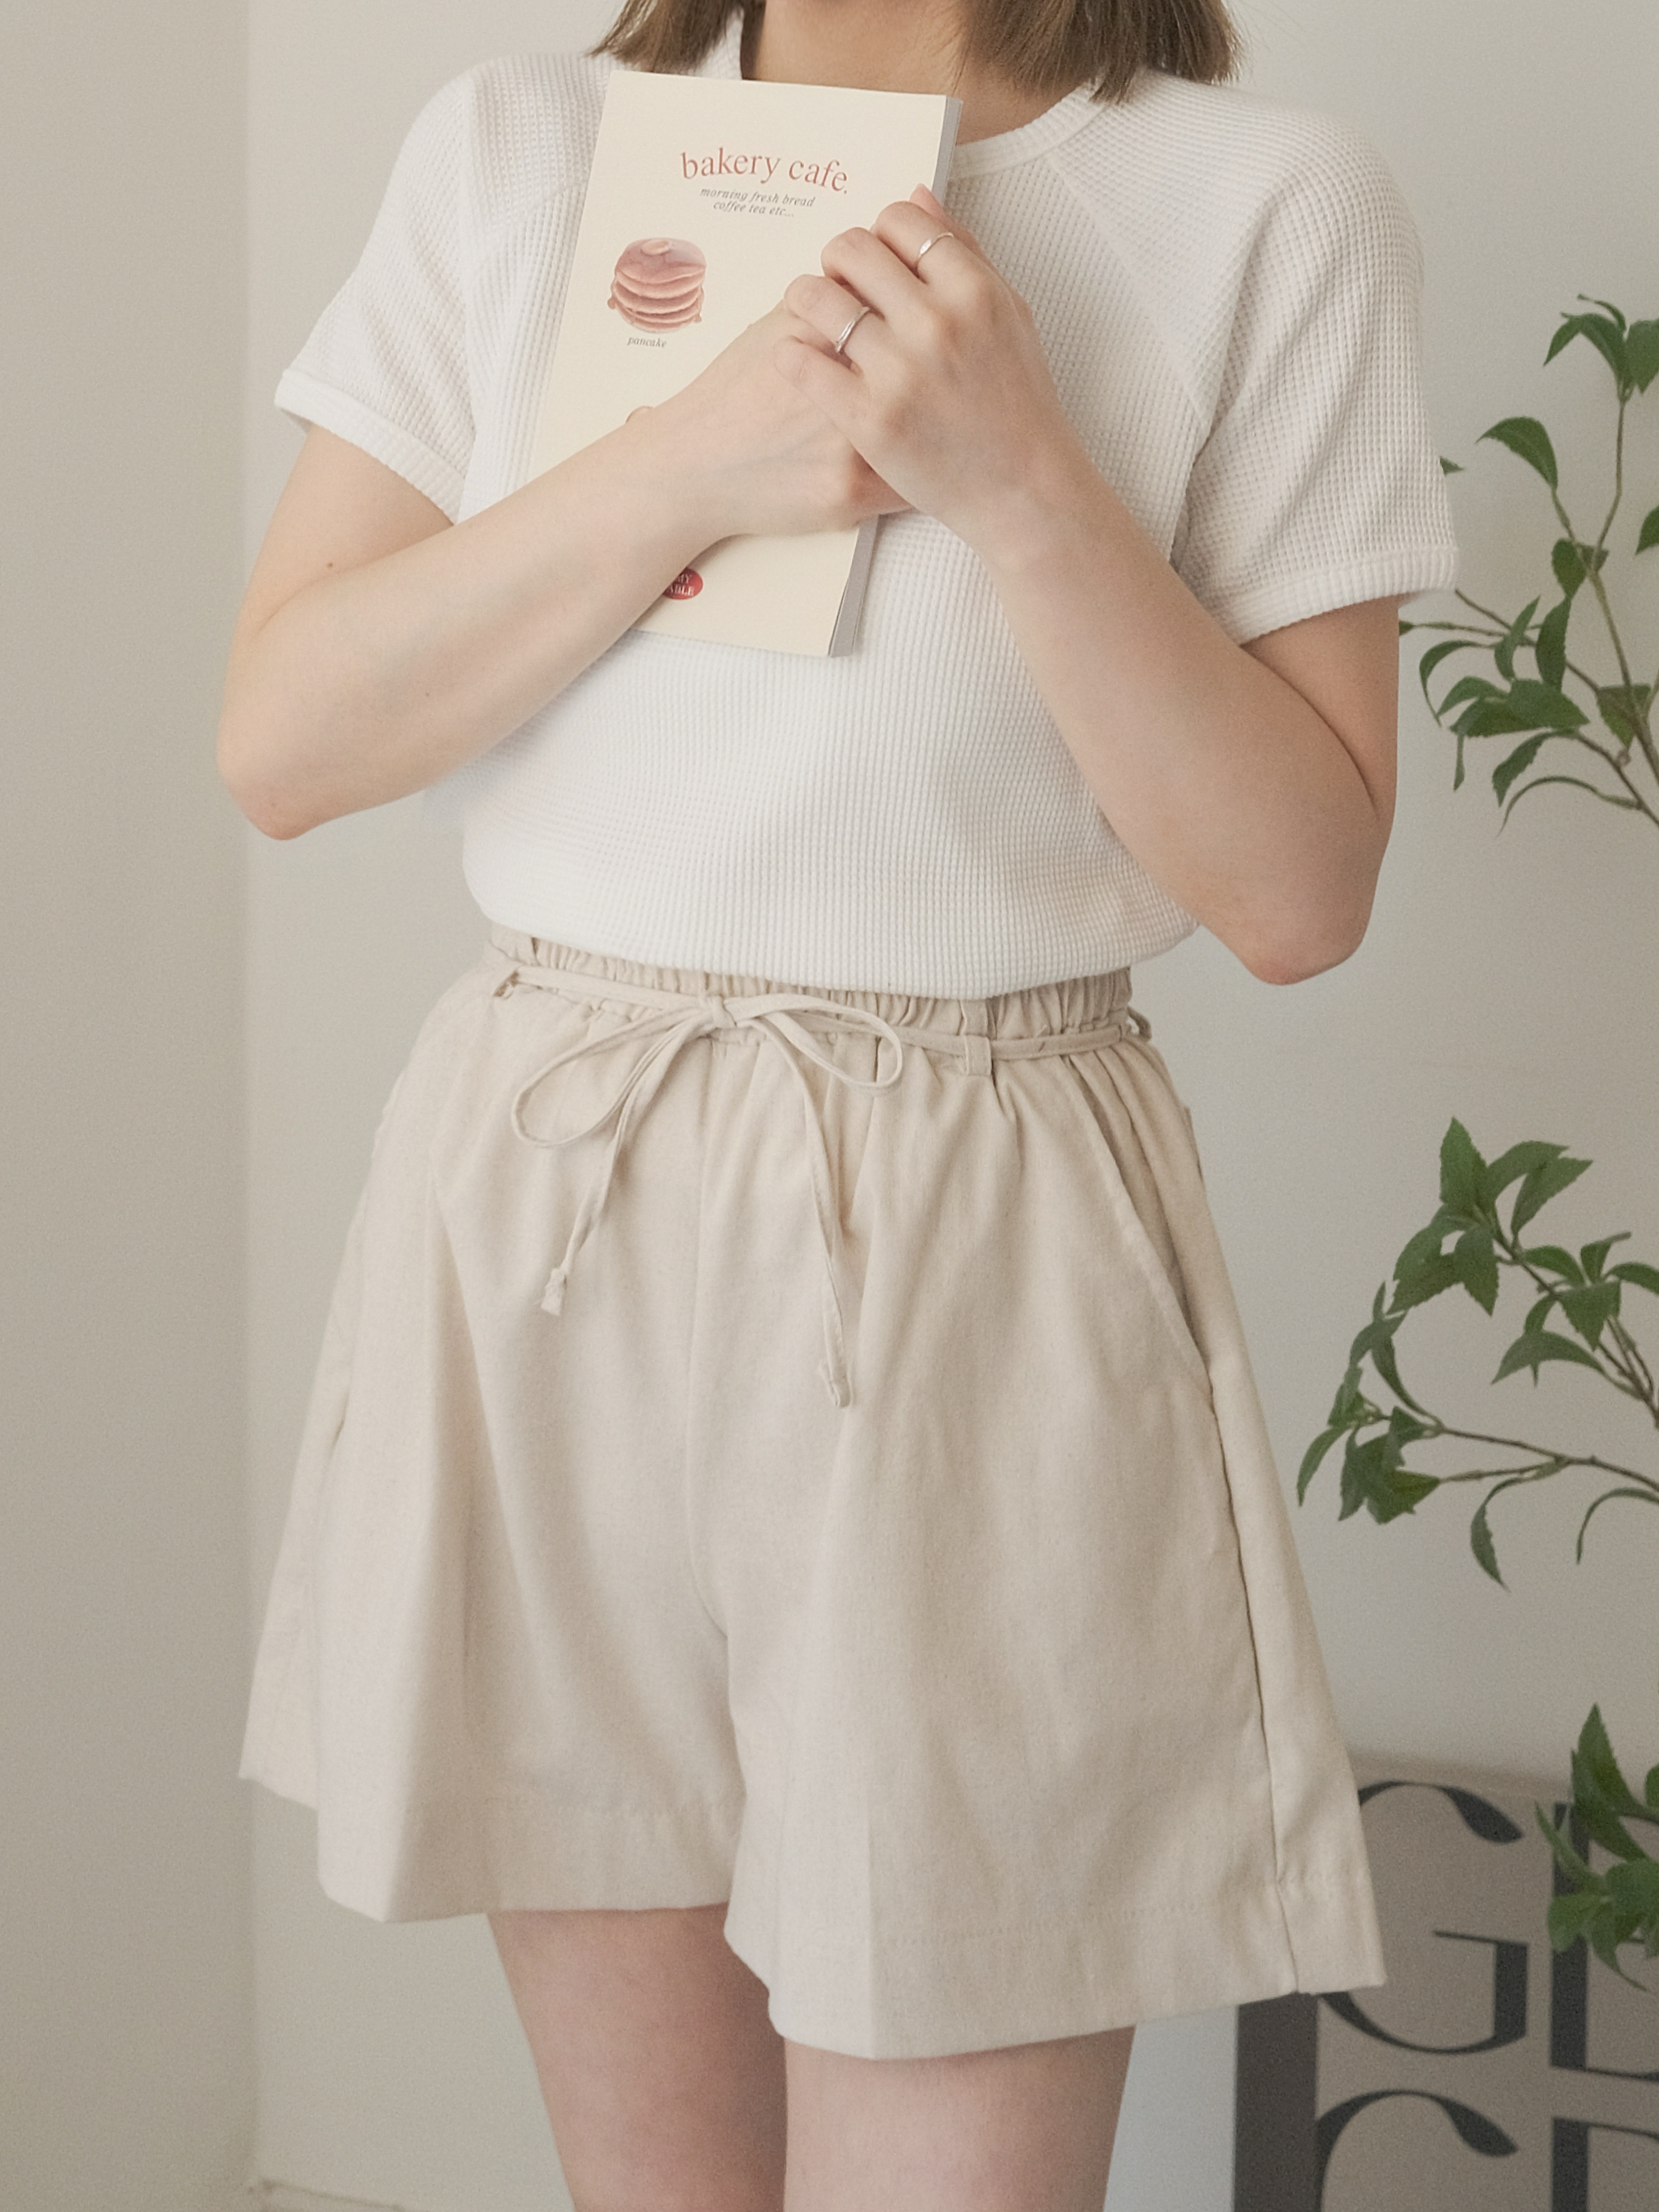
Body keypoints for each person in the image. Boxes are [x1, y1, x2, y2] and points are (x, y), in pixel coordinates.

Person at [222, 0, 1456, 2203]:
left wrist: (1025, 478)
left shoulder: (1268, 204)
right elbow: (285, 738)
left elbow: (1299, 893)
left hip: (987, 1225)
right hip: (554, 1196)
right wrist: (690, 460)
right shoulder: (521, 147)